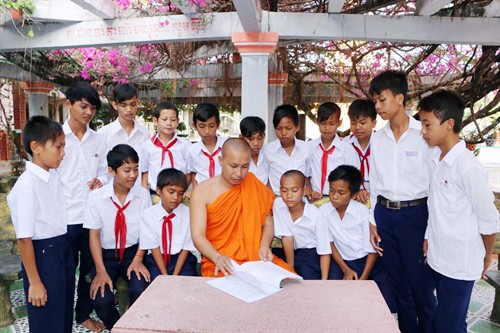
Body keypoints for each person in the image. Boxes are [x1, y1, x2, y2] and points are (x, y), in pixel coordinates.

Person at [418, 90, 499, 333]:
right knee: (438, 317)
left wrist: (485, 256)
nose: (422, 131)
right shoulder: (436, 158)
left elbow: (489, 219)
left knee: (449, 326)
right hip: (437, 257)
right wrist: (428, 237)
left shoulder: (467, 167)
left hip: (459, 264)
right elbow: (436, 207)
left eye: (427, 124)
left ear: (449, 123)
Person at [368, 70, 436, 333]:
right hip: (385, 215)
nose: (377, 106)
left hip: (416, 216)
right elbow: (374, 181)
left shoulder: (424, 134)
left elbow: (434, 186)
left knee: (421, 286)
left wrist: (430, 230)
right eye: (375, 100)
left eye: (381, 100)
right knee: (399, 286)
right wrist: (373, 220)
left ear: (399, 98)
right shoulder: (378, 137)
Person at [7, 116, 74, 333]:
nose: (63, 153)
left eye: (64, 146)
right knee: (47, 320)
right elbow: (24, 238)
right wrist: (35, 282)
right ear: (36, 147)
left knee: (62, 315)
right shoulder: (27, 186)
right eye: (58, 146)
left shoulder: (52, 176)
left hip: (62, 248)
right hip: (43, 255)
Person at [190, 138, 292, 277]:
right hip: (221, 263)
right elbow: (197, 236)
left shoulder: (253, 184)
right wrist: (217, 257)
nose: (239, 173)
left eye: (245, 166)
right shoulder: (202, 192)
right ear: (221, 161)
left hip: (257, 260)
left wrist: (264, 246)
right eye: (233, 166)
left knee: (290, 281)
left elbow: (268, 224)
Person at [84, 144, 151, 330]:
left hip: (133, 253)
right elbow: (94, 236)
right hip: (106, 256)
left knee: (140, 290)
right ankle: (118, 328)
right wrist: (100, 270)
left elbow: (147, 230)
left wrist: (138, 259)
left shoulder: (143, 195)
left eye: (136, 169)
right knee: (101, 300)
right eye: (127, 170)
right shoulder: (96, 198)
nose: (133, 175)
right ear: (111, 171)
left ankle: (135, 325)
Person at [57, 82, 107, 332]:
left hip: (91, 217)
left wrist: (102, 180)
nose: (88, 112)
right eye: (83, 106)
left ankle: (83, 314)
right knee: (65, 272)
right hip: (63, 217)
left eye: (93, 108)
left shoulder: (98, 140)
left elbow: (105, 173)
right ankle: (62, 318)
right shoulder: (55, 138)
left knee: (88, 270)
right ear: (69, 104)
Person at [320, 165, 396, 312]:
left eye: (341, 192)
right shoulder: (324, 211)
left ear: (354, 195)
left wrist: (363, 280)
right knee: (333, 298)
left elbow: (372, 250)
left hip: (368, 262)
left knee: (385, 301)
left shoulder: (362, 212)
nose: (334, 196)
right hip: (342, 261)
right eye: (331, 190)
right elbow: (329, 244)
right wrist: (345, 269)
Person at [140, 168, 197, 280]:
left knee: (185, 284)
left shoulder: (189, 214)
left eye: (181, 193)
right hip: (158, 259)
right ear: (158, 191)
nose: (176, 198)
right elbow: (154, 247)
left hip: (182, 259)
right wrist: (165, 276)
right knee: (156, 284)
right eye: (171, 192)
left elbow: (186, 248)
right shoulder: (148, 215)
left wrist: (174, 277)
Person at [273, 170, 331, 279]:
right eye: (284, 190)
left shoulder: (316, 215)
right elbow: (287, 238)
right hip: (290, 252)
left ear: (304, 191)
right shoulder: (279, 204)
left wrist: (324, 281)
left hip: (312, 254)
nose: (289, 195)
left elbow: (324, 251)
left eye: (294, 190)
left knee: (306, 275)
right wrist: (290, 269)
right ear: (280, 190)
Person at [98, 83, 149, 187]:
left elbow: (146, 168)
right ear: (115, 105)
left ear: (138, 103)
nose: (129, 109)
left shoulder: (145, 134)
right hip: (111, 195)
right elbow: (101, 169)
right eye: (124, 105)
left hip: (138, 194)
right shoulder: (104, 134)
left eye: (133, 104)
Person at [306, 102, 358, 202]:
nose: (327, 128)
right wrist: (310, 190)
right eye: (323, 123)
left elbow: (352, 177)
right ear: (317, 121)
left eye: (332, 124)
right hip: (315, 199)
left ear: (339, 123)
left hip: (338, 200)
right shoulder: (310, 147)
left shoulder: (347, 149)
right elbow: (306, 173)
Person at [140, 102, 191, 193]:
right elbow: (145, 171)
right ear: (155, 121)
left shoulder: (185, 145)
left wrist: (182, 192)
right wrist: (145, 192)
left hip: (178, 193)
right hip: (154, 193)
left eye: (173, 120)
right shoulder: (147, 146)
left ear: (178, 121)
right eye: (164, 119)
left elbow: (189, 172)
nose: (169, 123)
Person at [262, 105, 309, 195]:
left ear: (297, 127)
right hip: (276, 198)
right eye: (279, 129)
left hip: (300, 199)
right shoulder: (267, 150)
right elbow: (266, 177)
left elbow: (308, 173)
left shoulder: (306, 148)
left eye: (288, 128)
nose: (283, 133)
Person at [187, 103, 226, 187]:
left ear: (218, 125)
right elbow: (193, 172)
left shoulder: (227, 146)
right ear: (195, 126)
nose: (207, 131)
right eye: (202, 126)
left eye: (211, 126)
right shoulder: (192, 150)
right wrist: (195, 191)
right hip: (203, 194)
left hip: (225, 192)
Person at [346, 99, 377, 204]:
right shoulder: (344, 145)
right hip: (352, 198)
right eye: (353, 123)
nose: (357, 127)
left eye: (362, 123)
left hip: (378, 198)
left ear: (374, 123)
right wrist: (356, 190)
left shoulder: (382, 143)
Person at [239, 116, 269, 185]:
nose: (256, 143)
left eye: (260, 138)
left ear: (264, 136)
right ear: (241, 138)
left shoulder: (268, 155)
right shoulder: (238, 159)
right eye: (251, 139)